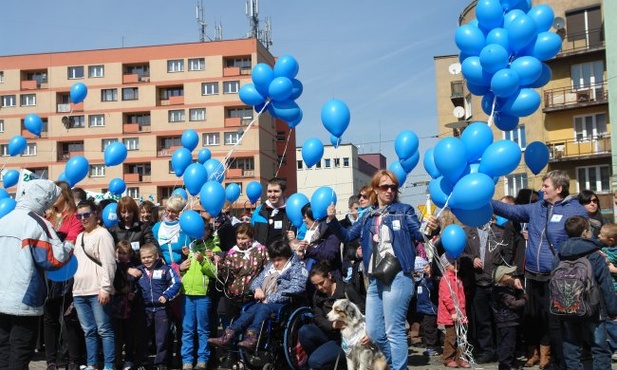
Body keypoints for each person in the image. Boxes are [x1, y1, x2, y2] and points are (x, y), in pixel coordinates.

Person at [326, 169, 438, 370]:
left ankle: (398, 368)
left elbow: (420, 234)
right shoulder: (367, 215)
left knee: (393, 329)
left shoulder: (404, 210)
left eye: (393, 187)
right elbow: (347, 236)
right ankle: (394, 365)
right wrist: (332, 220)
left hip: (398, 275)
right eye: (384, 186)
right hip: (375, 276)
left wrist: (432, 227)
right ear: (375, 189)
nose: (389, 190)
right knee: (375, 332)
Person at [491, 170, 588, 370]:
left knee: (557, 324)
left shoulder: (575, 210)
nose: (541, 189)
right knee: (536, 320)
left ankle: (562, 363)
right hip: (533, 276)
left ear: (559, 189)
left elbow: (582, 241)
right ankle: (548, 358)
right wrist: (485, 200)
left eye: (546, 186)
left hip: (558, 277)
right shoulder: (537, 208)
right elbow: (511, 211)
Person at [0, 180, 74, 370]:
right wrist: (69, 246)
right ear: (45, 199)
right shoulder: (37, 223)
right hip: (25, 297)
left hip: (1, 297)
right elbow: (53, 259)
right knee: (20, 350)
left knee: (3, 350)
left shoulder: (4, 220)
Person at [208, 238, 307, 351]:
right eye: (273, 260)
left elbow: (297, 288)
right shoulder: (271, 267)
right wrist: (257, 289)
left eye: (279, 260)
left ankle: (252, 337)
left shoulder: (297, 268)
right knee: (252, 308)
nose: (276, 263)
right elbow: (256, 281)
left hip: (285, 304)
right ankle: (228, 336)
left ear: (288, 257)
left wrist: (270, 298)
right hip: (265, 302)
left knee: (263, 307)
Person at [558, 216, 617, 370]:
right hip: (594, 308)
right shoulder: (595, 254)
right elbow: (606, 285)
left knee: (571, 346)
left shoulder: (559, 254)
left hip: (566, 305)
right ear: (585, 233)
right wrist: (613, 310)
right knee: (600, 348)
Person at [44, 181, 85, 370]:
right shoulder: (47, 217)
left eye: (56, 193)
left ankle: (73, 359)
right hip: (49, 273)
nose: (52, 197)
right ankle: (51, 360)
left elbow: (73, 240)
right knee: (49, 317)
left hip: (69, 272)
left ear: (65, 195)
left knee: (69, 317)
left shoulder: (75, 218)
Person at [72, 199, 117, 370]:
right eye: (79, 215)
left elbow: (109, 263)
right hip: (79, 291)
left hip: (97, 289)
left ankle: (109, 365)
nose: (83, 218)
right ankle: (92, 364)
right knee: (88, 331)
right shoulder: (80, 237)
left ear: (95, 214)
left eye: (86, 214)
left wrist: (105, 288)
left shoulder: (103, 234)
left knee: (104, 330)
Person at [298, 263, 366, 370]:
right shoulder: (317, 295)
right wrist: (333, 325)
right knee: (304, 331)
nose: (319, 287)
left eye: (321, 283)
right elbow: (318, 318)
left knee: (314, 361)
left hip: (349, 338)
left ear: (329, 276)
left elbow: (363, 309)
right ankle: (324, 362)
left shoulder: (347, 289)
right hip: (330, 333)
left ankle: (322, 362)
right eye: (315, 285)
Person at [460, 217, 510, 364]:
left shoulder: (500, 232)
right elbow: (459, 253)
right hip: (477, 283)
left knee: (501, 319)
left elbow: (508, 254)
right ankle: (487, 350)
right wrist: (471, 259)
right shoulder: (467, 232)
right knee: (483, 320)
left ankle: (503, 350)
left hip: (497, 282)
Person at [179, 217, 220, 370]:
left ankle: (202, 359)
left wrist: (204, 260)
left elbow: (214, 272)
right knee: (187, 328)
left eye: (204, 229)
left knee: (203, 329)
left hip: (203, 295)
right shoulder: (191, 247)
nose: (200, 233)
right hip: (187, 293)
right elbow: (185, 271)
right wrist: (181, 267)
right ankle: (187, 360)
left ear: (209, 231)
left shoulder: (213, 249)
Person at [135, 243, 182, 370]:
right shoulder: (139, 271)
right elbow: (133, 287)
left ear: (156, 256)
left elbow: (176, 283)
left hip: (162, 309)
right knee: (143, 337)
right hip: (145, 309)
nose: (147, 260)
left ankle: (161, 363)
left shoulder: (166, 269)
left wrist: (166, 295)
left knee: (162, 338)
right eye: (144, 257)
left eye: (149, 257)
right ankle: (142, 362)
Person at [291, 204, 342, 279]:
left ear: (314, 217)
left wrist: (309, 249)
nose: (303, 220)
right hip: (311, 278)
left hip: (328, 278)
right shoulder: (307, 233)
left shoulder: (331, 232)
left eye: (305, 217)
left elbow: (329, 255)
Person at [437, 253, 470, 369]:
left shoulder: (458, 278)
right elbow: (446, 297)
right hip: (451, 315)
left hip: (460, 314)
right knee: (451, 337)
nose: (457, 265)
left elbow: (461, 297)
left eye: (458, 263)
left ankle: (460, 357)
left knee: (462, 336)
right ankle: (448, 357)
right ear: (446, 265)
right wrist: (453, 311)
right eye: (452, 263)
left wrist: (463, 312)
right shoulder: (445, 279)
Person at [492, 265, 527, 370]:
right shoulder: (502, 292)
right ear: (503, 278)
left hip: (507, 321)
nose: (512, 276)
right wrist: (524, 299)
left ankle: (509, 362)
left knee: (508, 343)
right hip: (507, 322)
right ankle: (505, 365)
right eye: (509, 275)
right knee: (508, 345)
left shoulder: (502, 288)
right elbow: (513, 304)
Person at [112, 241, 139, 370]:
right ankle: (117, 359)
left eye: (125, 253)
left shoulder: (133, 267)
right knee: (117, 335)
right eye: (120, 253)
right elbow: (113, 282)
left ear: (130, 254)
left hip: (130, 307)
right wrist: (119, 289)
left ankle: (129, 359)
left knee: (130, 335)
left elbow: (137, 284)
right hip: (116, 305)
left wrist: (133, 293)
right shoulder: (114, 266)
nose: (122, 256)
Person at [108, 196, 158, 262]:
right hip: (120, 269)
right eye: (123, 212)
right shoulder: (113, 230)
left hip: (140, 267)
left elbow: (151, 246)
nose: (127, 215)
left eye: (129, 212)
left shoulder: (144, 227)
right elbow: (110, 254)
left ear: (134, 211)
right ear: (119, 212)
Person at [251, 177, 294, 247]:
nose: (272, 195)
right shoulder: (259, 211)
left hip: (285, 255)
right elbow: (252, 234)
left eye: (276, 191)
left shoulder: (292, 210)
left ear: (284, 192)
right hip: (263, 255)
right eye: (269, 191)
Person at [339, 195, 365, 295]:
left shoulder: (365, 222)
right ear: (350, 208)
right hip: (347, 267)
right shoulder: (342, 225)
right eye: (356, 208)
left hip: (362, 267)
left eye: (361, 209)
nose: (359, 211)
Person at [414, 257, 440, 357]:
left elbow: (432, 285)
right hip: (422, 309)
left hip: (430, 309)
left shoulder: (429, 281)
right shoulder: (419, 282)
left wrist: (430, 275)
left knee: (430, 329)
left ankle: (432, 347)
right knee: (427, 329)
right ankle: (436, 344)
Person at [598, 223, 617, 360]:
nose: (598, 236)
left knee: (613, 318)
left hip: (614, 289)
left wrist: (611, 268)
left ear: (610, 239)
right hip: (606, 288)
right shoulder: (602, 248)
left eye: (602, 235)